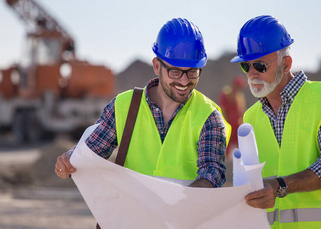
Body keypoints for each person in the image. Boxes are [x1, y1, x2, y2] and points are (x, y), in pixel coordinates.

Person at [56, 18, 230, 187]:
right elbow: (92, 150)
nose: (184, 82)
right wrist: (70, 160)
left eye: (192, 72)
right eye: (175, 72)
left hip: (183, 215)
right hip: (131, 214)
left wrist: (178, 204)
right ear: (156, 66)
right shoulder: (123, 106)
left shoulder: (209, 116)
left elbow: (212, 172)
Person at [231, 15, 321, 228]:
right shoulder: (251, 118)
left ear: (286, 64)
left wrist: (279, 186)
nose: (252, 74)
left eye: (260, 65)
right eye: (245, 67)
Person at [218, 75, 247, 155]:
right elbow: (223, 108)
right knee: (226, 144)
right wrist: (224, 122)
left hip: (237, 124)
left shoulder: (239, 96)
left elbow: (241, 110)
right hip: (229, 123)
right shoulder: (227, 93)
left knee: (241, 144)